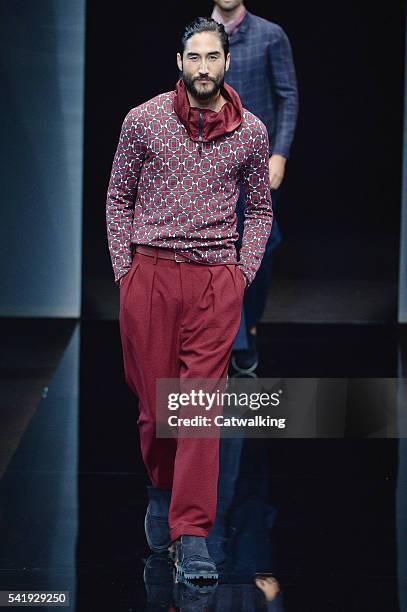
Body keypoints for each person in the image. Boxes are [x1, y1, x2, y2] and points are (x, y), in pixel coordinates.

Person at [105, 17, 273, 587]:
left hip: (213, 283)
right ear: (180, 63)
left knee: (197, 410)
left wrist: (240, 273)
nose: (203, 68)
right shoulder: (142, 121)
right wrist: (125, 273)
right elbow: (117, 198)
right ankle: (160, 492)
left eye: (213, 57)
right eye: (193, 58)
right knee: (157, 411)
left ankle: (193, 533)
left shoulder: (250, 131)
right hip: (150, 276)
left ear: (227, 62)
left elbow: (261, 211)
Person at [212, 0, 299, 371]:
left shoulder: (269, 34)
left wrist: (279, 154)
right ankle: (235, 340)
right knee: (215, 248)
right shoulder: (199, 35)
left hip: (255, 164)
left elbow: (288, 96)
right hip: (207, 161)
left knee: (259, 246)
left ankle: (247, 323)